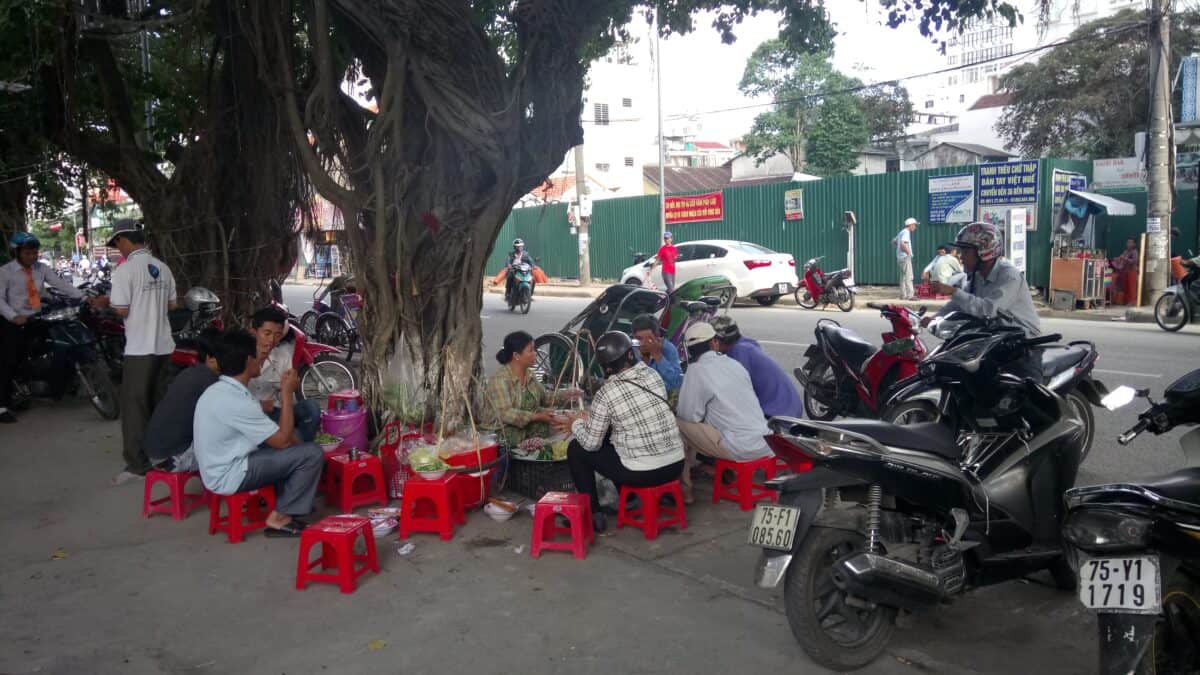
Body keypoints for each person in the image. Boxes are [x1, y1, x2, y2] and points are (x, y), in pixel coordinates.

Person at [193, 329, 324, 537]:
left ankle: (292, 500)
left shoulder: (219, 390)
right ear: (247, 361)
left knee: (297, 446)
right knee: (312, 453)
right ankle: (280, 517)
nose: (261, 360)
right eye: (257, 356)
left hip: (218, 466)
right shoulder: (236, 401)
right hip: (229, 474)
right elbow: (281, 442)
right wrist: (287, 394)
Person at [553, 331, 685, 532]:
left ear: (604, 367)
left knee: (577, 449)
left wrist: (575, 424)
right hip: (675, 465)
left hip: (643, 473)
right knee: (610, 438)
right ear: (630, 355)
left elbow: (591, 444)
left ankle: (592, 514)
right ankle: (629, 496)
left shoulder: (606, 393)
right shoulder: (652, 375)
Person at [106, 220, 177, 484]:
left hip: (139, 349)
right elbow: (172, 304)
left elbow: (121, 309)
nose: (118, 250)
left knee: (134, 406)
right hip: (164, 346)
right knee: (159, 402)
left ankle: (137, 464)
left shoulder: (125, 271)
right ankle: (162, 455)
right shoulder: (163, 268)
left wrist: (107, 303)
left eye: (117, 244)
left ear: (124, 240)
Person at [924, 221, 1042, 378]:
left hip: (1024, 343)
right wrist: (934, 318)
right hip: (994, 340)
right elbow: (958, 305)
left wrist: (953, 291)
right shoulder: (976, 276)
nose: (961, 256)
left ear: (984, 251)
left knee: (1025, 390)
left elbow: (988, 310)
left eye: (966, 251)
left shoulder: (1009, 275)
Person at [674, 322, 773, 504]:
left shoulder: (696, 370)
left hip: (740, 447)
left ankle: (685, 491)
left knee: (676, 425)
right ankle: (722, 471)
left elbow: (689, 416)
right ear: (714, 343)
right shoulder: (735, 365)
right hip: (765, 441)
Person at [0, 233, 90, 424]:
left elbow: (61, 284)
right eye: (28, 252)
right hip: (14, 321)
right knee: (9, 360)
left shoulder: (41, 268)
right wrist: (14, 316)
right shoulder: (5, 272)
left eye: (35, 252)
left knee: (59, 343)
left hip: (38, 316)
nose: (32, 256)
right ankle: (3, 405)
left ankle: (60, 383)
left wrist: (83, 297)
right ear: (17, 252)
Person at [142, 330, 222, 472]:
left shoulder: (190, 372)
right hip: (171, 459)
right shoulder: (210, 381)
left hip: (155, 453)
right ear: (211, 359)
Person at [483, 331, 575, 447]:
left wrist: (567, 394)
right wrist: (536, 416)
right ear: (516, 356)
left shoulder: (529, 374)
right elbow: (504, 413)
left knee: (547, 427)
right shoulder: (500, 380)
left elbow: (545, 398)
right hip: (501, 430)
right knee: (529, 429)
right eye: (531, 350)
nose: (535, 353)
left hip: (524, 425)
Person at [248, 306, 320, 443]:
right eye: (267, 333)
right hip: (249, 415)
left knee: (310, 408)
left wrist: (288, 391)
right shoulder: (241, 356)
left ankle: (300, 445)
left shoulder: (283, 356)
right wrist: (258, 406)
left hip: (276, 412)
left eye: (277, 335)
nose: (271, 340)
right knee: (294, 437)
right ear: (254, 332)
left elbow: (288, 399)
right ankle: (300, 447)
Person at [709, 315, 803, 419]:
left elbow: (734, 394)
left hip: (778, 415)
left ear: (716, 341)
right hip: (789, 410)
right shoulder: (746, 345)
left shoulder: (738, 352)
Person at [630, 314, 682, 396]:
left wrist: (657, 355)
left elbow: (677, 383)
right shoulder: (631, 349)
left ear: (657, 336)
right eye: (639, 338)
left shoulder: (668, 349)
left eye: (648, 338)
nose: (643, 343)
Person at [1109, 238, 1139, 305]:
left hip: (1132, 271)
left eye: (1130, 242)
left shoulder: (1135, 252)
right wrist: (1117, 259)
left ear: (1134, 244)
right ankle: (1127, 301)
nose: (1128, 244)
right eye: (1128, 242)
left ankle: (1133, 301)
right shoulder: (1126, 251)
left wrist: (1125, 259)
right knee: (1126, 287)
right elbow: (1120, 258)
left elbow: (1134, 261)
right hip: (1125, 271)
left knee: (1132, 287)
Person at [894, 217, 918, 300]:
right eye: (914, 225)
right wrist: (909, 253)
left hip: (900, 257)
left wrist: (898, 250)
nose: (915, 227)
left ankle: (903, 295)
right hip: (905, 257)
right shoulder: (906, 232)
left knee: (903, 277)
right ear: (910, 225)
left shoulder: (901, 232)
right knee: (909, 276)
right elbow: (902, 243)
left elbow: (893, 241)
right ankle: (910, 295)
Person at [649, 231, 679, 295]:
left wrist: (677, 257)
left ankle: (663, 299)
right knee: (671, 290)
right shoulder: (662, 249)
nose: (666, 240)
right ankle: (672, 303)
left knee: (671, 289)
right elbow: (657, 260)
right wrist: (652, 268)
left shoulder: (674, 248)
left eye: (668, 238)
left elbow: (675, 258)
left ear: (671, 239)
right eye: (665, 238)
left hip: (673, 271)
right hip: (666, 272)